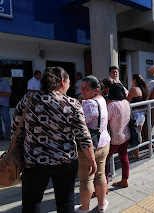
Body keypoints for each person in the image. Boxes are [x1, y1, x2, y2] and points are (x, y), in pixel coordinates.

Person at [12, 67, 97, 213]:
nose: (69, 85)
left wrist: (18, 152)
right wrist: (92, 159)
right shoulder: (73, 103)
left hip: (34, 161)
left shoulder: (28, 100)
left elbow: (15, 131)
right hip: (65, 162)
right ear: (62, 82)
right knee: (65, 203)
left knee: (31, 202)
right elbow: (83, 136)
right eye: (69, 82)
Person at [75, 76, 110, 213]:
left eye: (86, 88)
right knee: (100, 174)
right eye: (81, 86)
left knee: (86, 179)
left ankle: (84, 208)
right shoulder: (101, 100)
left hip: (89, 147)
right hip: (104, 142)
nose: (82, 90)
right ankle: (101, 205)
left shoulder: (87, 105)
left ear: (95, 90)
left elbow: (77, 122)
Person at [106, 83, 131, 188]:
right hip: (126, 135)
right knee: (124, 157)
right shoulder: (126, 102)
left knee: (103, 160)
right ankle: (124, 180)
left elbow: (105, 120)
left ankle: (104, 186)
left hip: (114, 138)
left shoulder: (111, 106)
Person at [126, 74, 148, 158]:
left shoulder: (133, 89)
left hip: (134, 114)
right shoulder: (144, 89)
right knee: (139, 133)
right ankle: (136, 152)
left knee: (133, 134)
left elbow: (127, 101)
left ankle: (134, 152)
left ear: (134, 80)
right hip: (142, 114)